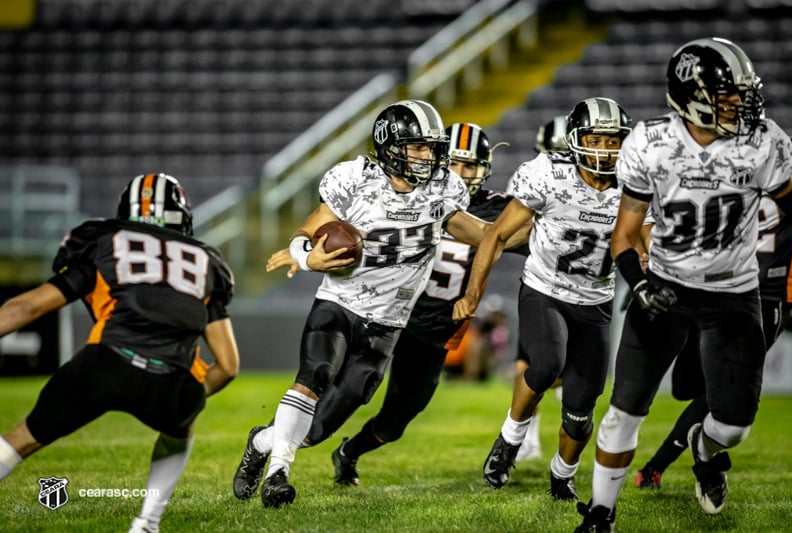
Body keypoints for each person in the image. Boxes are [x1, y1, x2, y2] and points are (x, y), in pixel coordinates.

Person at [232, 104, 528, 508]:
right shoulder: (354, 179)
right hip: (339, 302)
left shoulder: (443, 189)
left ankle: (262, 441)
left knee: (320, 428)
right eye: (418, 148)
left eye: (431, 148)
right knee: (314, 374)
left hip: (389, 321)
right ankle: (278, 475)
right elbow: (312, 225)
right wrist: (305, 256)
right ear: (390, 147)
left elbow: (485, 235)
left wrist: (541, 236)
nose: (429, 157)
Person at [574, 37, 792, 532]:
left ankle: (703, 445)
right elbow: (625, 237)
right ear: (692, 94)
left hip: (735, 295)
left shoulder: (765, 140)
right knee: (622, 412)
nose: (741, 103)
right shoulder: (650, 144)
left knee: (734, 427)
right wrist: (638, 284)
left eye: (742, 93)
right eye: (728, 94)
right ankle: (600, 514)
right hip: (667, 288)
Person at [0, 173, 240, 533]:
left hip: (105, 363)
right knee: (182, 424)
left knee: (22, 440)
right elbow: (228, 365)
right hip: (171, 381)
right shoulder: (205, 260)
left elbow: (27, 308)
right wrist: (193, 394)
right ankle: (147, 522)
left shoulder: (105, 241)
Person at [453, 97, 647, 502]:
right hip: (545, 289)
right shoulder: (548, 173)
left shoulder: (636, 181)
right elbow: (497, 234)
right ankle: (510, 439)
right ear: (575, 140)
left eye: (613, 142)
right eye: (596, 139)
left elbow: (643, 246)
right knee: (544, 366)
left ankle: (563, 475)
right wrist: (473, 293)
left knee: (580, 413)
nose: (604, 150)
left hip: (595, 302)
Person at [327, 123, 527, 486]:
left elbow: (542, 237)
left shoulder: (496, 209)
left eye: (471, 166)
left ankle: (348, 452)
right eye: (454, 163)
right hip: (383, 313)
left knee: (396, 420)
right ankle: (279, 446)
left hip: (433, 329)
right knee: (342, 393)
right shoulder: (407, 192)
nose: (462, 174)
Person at [635, 160, 792, 489]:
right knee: (691, 387)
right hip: (747, 291)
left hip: (743, 291)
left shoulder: (733, 173)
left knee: (714, 391)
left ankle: (660, 466)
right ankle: (677, 458)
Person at [515, 114, 570, 462]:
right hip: (540, 286)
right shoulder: (532, 177)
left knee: (568, 371)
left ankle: (567, 435)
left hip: (581, 291)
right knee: (529, 365)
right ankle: (527, 438)